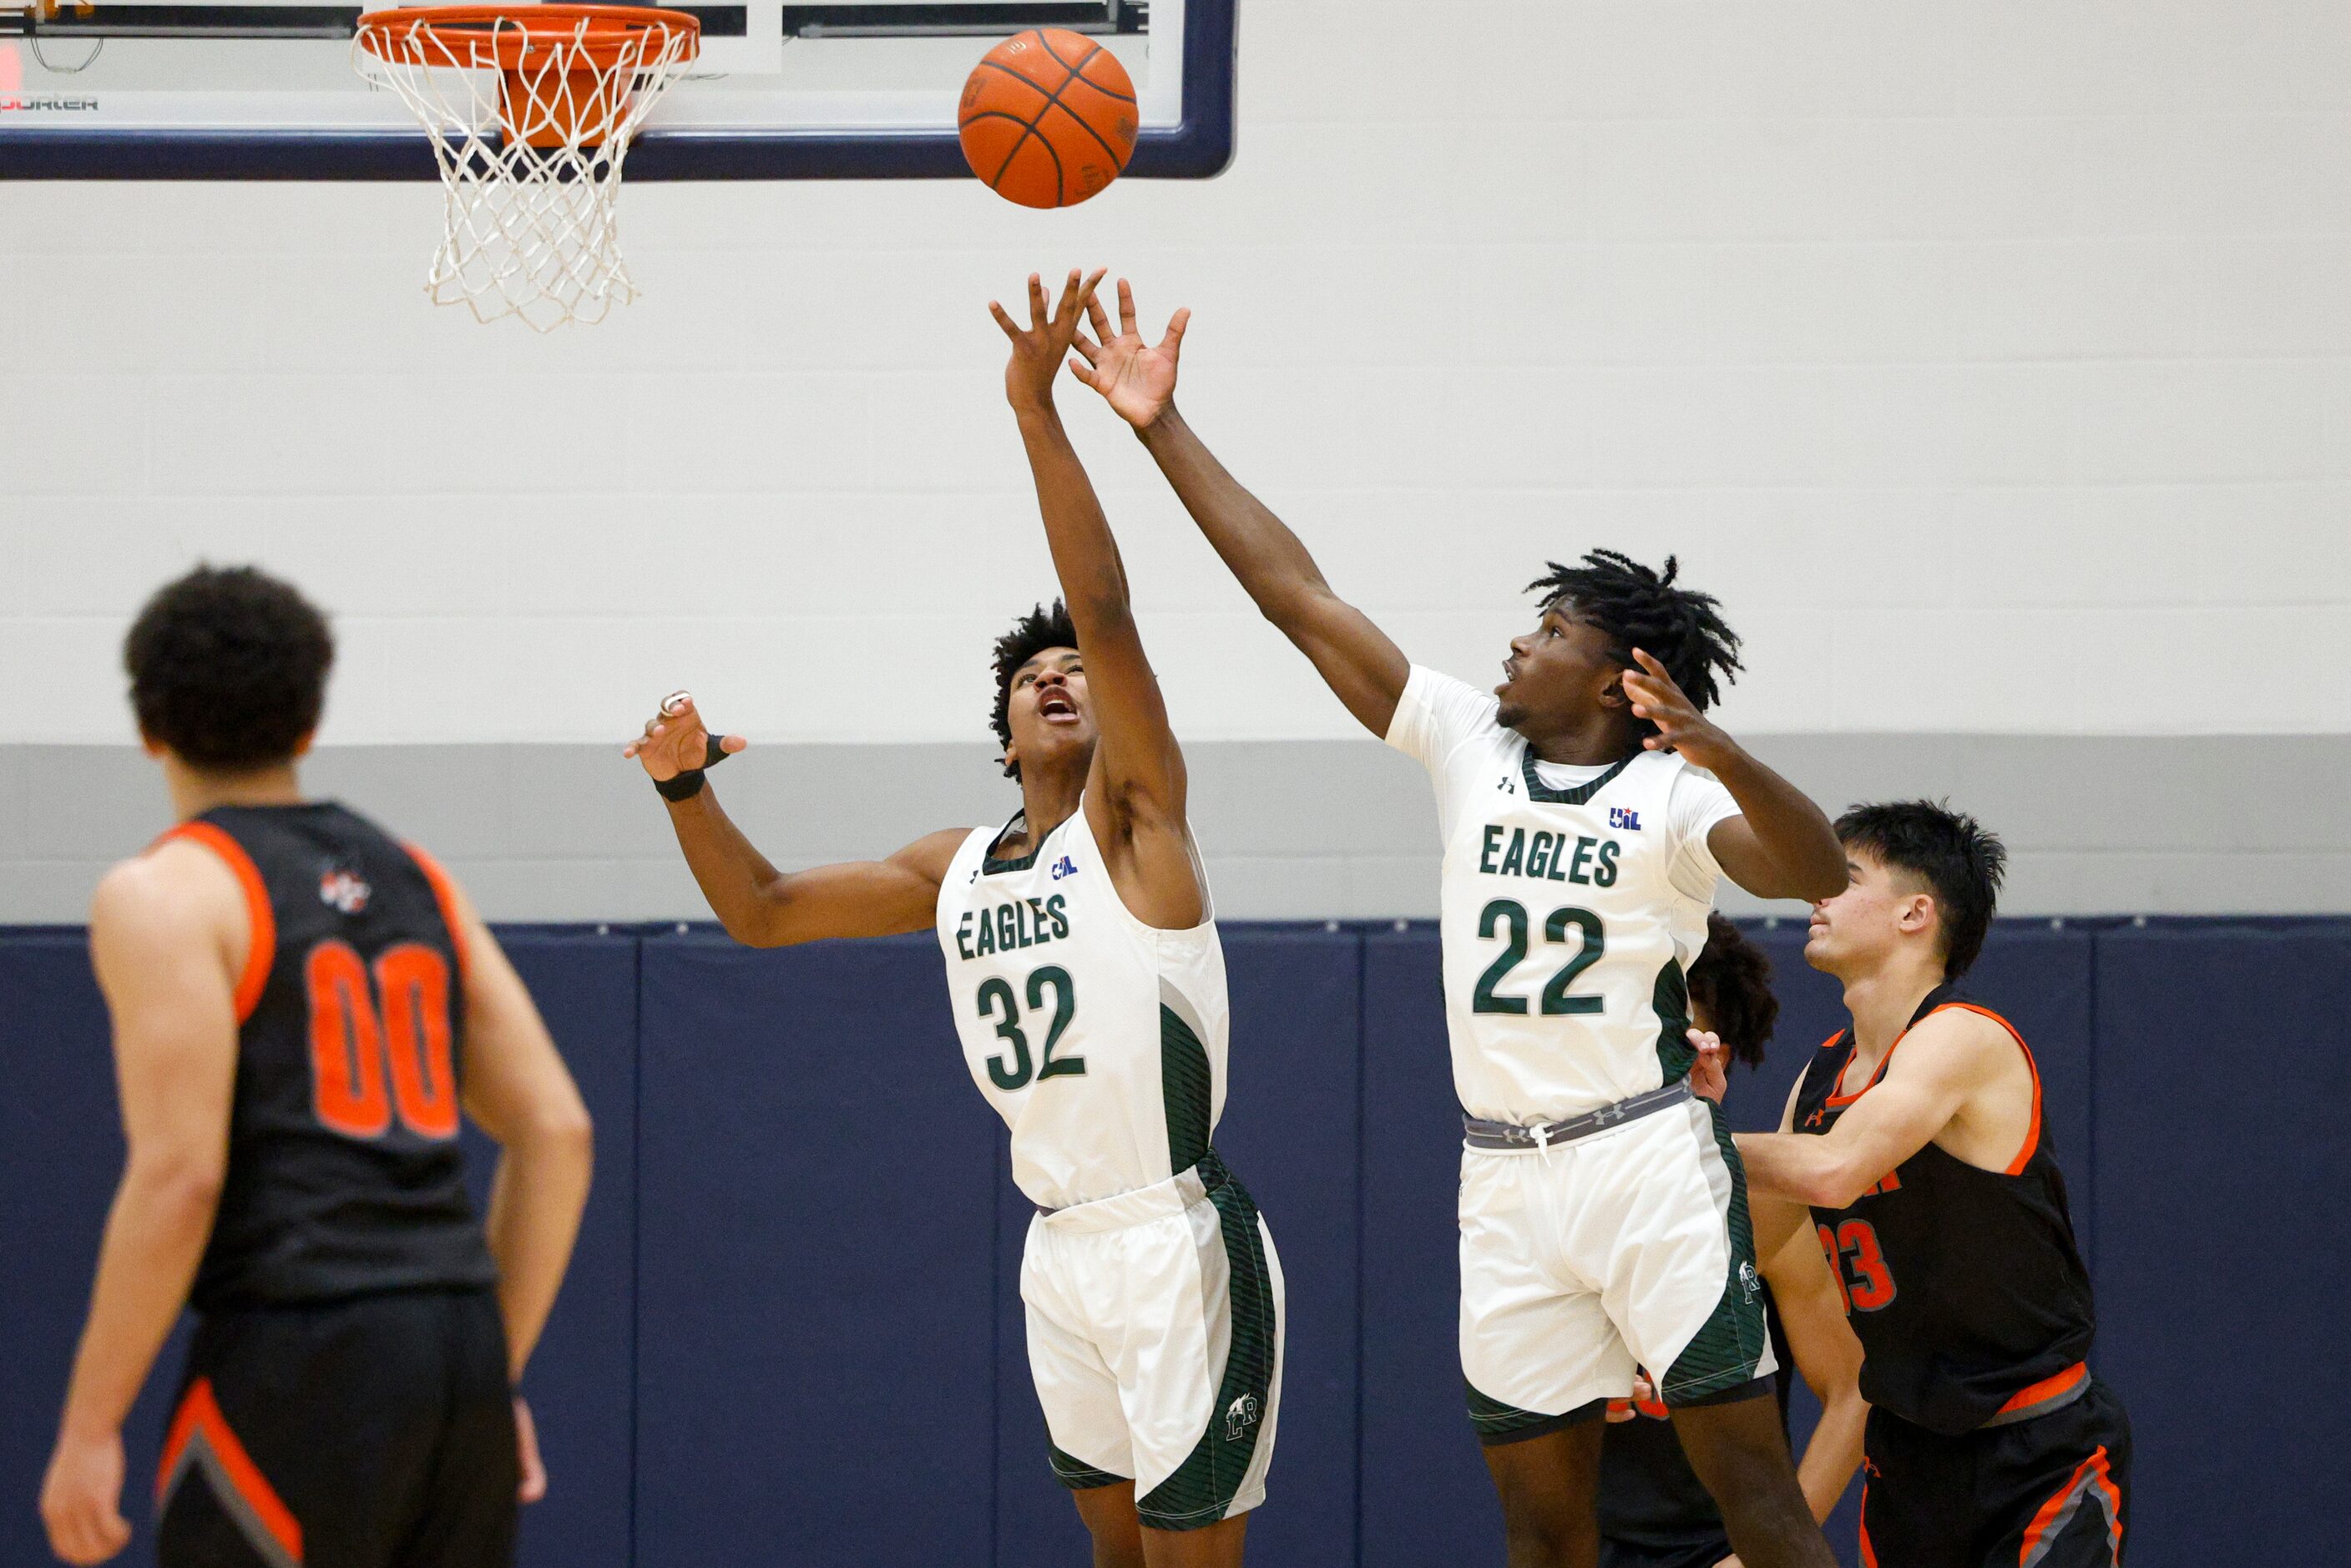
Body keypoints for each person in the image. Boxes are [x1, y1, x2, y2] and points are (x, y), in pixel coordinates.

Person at [1059, 278, 1847, 1568]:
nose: (1514, 647)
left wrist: (1723, 747)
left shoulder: (1672, 794)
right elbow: (1296, 596)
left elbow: (1812, 867)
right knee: (1540, 1529)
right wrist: (1160, 427)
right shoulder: (1469, 742)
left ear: (1611, 678)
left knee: (1753, 1496)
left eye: (1546, 632)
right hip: (1504, 1175)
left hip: (1645, 1162)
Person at [623, 271, 1280, 1568]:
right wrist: (685, 788)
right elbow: (759, 913)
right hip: (1062, 1247)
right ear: (1004, 732)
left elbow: (1105, 605)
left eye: (1073, 671)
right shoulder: (957, 864)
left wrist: (1037, 408)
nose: (1057, 675)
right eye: (1032, 677)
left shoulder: (1139, 824)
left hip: (1173, 1234)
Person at [38, 565, 594, 1568]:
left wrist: (88, 1427)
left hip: (300, 1354)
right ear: (307, 724)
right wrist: (488, 1374)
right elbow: (557, 1132)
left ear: (148, 728)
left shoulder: (164, 893)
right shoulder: (418, 875)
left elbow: (181, 1176)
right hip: (458, 1347)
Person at [1711, 802, 2127, 1568]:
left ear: (1915, 912)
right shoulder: (1820, 1077)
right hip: (1905, 1454)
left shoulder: (1964, 1037)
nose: (1815, 894)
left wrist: (1676, 1136)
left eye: (1842, 878)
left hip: (2033, 1447)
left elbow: (1834, 1172)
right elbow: (1764, 1236)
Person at [1601, 916, 1866, 1568]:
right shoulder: (1558, 1196)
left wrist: (1760, 1555)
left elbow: (1851, 1392)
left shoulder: (1758, 1204)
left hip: (1729, 1542)